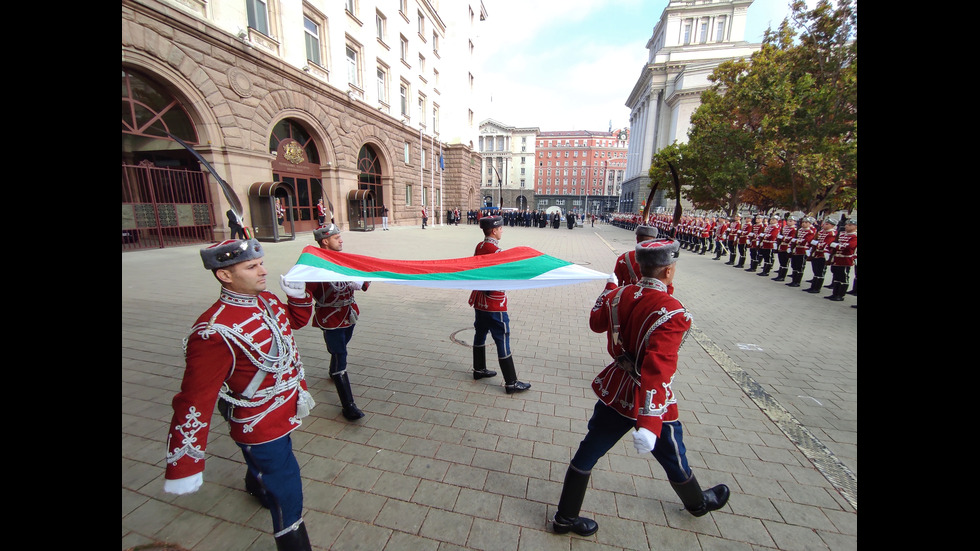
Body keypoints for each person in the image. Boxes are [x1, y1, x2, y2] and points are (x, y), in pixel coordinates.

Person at [551, 238, 730, 537]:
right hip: (649, 400)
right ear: (669, 271)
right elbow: (657, 370)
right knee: (673, 455)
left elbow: (596, 323)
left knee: (588, 451)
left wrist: (609, 289)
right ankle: (698, 504)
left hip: (615, 387)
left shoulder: (619, 295)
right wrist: (648, 422)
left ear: (639, 265)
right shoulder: (674, 312)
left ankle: (565, 518)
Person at [164, 238, 316, 551]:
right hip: (258, 424)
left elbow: (294, 324)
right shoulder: (213, 331)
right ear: (225, 275)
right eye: (252, 266)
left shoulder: (267, 300)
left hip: (284, 408)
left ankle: (255, 484)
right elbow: (194, 400)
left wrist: (297, 296)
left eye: (261, 262)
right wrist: (186, 465)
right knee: (287, 491)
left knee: (267, 470)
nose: (264, 270)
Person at [306, 224, 369, 420]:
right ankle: (348, 406)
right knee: (341, 354)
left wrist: (365, 277)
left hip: (349, 314)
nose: (341, 240)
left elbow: (361, 284)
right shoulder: (314, 266)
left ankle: (334, 369)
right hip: (330, 317)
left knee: (341, 348)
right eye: (336, 238)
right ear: (325, 241)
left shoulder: (344, 260)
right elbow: (306, 292)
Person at [468, 215, 532, 394]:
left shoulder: (479, 246)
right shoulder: (496, 252)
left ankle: (478, 369)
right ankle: (511, 382)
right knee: (502, 337)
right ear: (494, 231)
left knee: (480, 333)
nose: (502, 231)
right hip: (494, 302)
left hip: (480, 300)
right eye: (501, 228)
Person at [825, 217, 857, 301]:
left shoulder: (854, 236)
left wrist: (837, 246)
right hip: (837, 258)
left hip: (846, 259)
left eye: (850, 225)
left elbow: (850, 246)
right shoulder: (842, 234)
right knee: (836, 276)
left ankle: (840, 295)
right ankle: (835, 293)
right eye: (846, 224)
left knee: (843, 277)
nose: (847, 226)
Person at [804, 217, 837, 293]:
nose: (824, 225)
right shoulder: (821, 232)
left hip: (823, 254)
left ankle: (817, 288)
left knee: (820, 272)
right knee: (815, 270)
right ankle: (813, 286)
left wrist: (817, 244)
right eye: (825, 223)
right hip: (817, 253)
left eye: (827, 224)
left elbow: (827, 244)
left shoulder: (832, 233)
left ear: (832, 225)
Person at [786, 216, 816, 287]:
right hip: (796, 249)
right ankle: (793, 280)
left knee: (800, 266)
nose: (804, 224)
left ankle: (797, 281)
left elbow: (806, 241)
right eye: (803, 222)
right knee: (794, 266)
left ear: (810, 224)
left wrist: (796, 241)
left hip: (803, 250)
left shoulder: (810, 232)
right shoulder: (800, 230)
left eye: (806, 222)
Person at [772, 215, 797, 281]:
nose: (789, 222)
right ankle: (780, 275)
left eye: (791, 221)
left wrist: (782, 238)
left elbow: (791, 239)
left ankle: (782, 276)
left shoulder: (794, 229)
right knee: (781, 262)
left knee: (785, 262)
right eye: (788, 221)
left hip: (787, 247)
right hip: (782, 246)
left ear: (795, 222)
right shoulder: (785, 228)